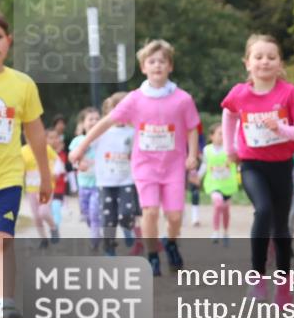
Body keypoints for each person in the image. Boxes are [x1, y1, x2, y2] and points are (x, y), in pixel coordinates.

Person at [71, 39, 200, 277]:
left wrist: (192, 154)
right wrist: (82, 147)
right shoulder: (135, 98)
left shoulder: (182, 99)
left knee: (174, 216)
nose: (157, 66)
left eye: (162, 61)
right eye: (152, 61)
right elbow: (106, 122)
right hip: (145, 166)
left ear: (170, 66)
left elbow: (192, 127)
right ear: (143, 67)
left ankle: (170, 242)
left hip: (172, 166)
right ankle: (152, 255)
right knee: (150, 212)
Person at [221, 34, 294, 306]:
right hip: (251, 164)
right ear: (247, 63)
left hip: (282, 166)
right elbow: (228, 114)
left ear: (280, 63)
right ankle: (258, 278)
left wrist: (281, 129)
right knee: (263, 210)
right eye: (258, 57)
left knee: (281, 228)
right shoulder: (239, 93)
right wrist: (229, 148)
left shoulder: (289, 93)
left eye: (271, 57)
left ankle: (284, 286)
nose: (265, 62)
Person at [0, 5, 52, 318]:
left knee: (1, 238)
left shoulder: (22, 85)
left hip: (5, 177)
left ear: (9, 41)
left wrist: (45, 176)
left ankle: (6, 305)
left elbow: (35, 133)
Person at [89, 92, 142, 256]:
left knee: (127, 214)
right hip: (105, 182)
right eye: (115, 110)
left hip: (126, 181)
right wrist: (81, 160)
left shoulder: (133, 132)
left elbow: (140, 152)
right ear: (107, 113)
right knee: (108, 219)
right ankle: (109, 248)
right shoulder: (100, 132)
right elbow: (86, 146)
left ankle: (128, 229)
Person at [198, 123, 239, 246]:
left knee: (226, 210)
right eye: (220, 134)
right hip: (213, 184)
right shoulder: (207, 150)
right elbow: (205, 165)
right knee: (218, 203)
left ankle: (225, 232)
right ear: (211, 136)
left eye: (224, 133)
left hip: (228, 184)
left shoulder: (231, 148)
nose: (222, 136)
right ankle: (215, 231)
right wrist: (198, 177)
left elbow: (237, 163)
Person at [20, 130, 61, 247]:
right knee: (36, 217)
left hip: (45, 188)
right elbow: (20, 169)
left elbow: (57, 160)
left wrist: (56, 172)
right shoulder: (22, 151)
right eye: (29, 136)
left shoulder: (45, 148)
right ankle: (44, 240)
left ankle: (53, 227)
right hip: (31, 190)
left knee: (43, 211)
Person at [68, 107, 101, 249]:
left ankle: (95, 237)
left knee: (94, 212)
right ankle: (93, 227)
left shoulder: (103, 139)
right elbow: (71, 158)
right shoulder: (78, 141)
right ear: (83, 123)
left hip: (99, 184)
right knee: (85, 212)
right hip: (83, 184)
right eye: (90, 119)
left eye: (97, 119)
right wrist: (77, 164)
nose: (94, 122)